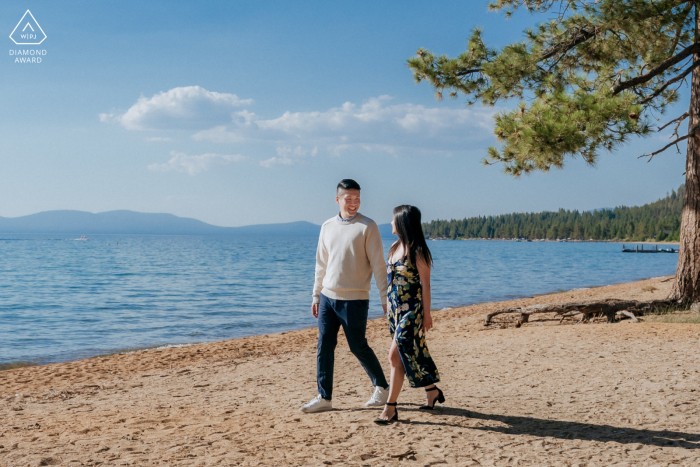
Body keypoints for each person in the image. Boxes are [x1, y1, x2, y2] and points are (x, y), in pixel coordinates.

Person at [301, 179, 390, 413]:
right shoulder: (327, 226)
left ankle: (382, 387)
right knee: (324, 346)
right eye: (348, 199)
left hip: (356, 299)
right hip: (328, 298)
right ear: (338, 199)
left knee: (358, 346)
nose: (353, 203)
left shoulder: (367, 226)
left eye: (357, 198)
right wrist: (315, 296)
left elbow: (379, 265)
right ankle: (324, 397)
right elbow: (321, 264)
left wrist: (385, 297)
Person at [375, 205, 444, 424]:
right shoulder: (394, 247)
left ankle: (391, 408)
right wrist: (386, 305)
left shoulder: (418, 251)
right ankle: (432, 391)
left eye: (394, 220)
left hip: (412, 311)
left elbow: (426, 285)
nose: (391, 223)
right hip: (395, 310)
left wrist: (427, 314)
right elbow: (390, 281)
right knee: (412, 352)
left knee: (395, 356)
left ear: (403, 223)